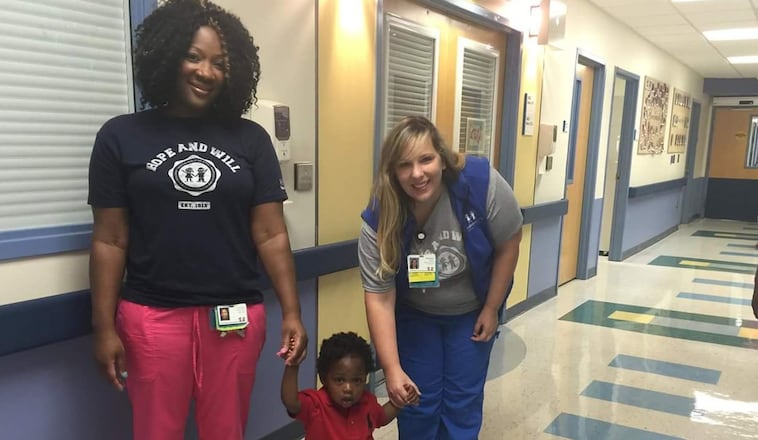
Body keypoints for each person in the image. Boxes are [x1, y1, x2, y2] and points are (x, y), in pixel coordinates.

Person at [87, 1, 307, 439]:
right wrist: (103, 325)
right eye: (193, 56)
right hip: (151, 316)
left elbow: (270, 233)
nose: (205, 71)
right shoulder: (121, 136)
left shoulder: (251, 139)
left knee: (226, 431)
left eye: (219, 63)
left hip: (235, 318)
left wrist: (292, 311)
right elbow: (110, 240)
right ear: (168, 55)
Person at [358, 116, 523, 439]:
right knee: (417, 400)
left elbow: (509, 244)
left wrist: (491, 308)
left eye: (426, 159)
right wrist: (391, 370)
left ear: (442, 160)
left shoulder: (480, 183)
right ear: (392, 172)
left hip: (471, 312)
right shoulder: (381, 214)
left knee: (462, 402)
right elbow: (379, 296)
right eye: (404, 165)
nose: (417, 174)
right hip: (416, 316)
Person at [281, 332, 414, 439]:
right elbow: (291, 402)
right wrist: (293, 365)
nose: (348, 389)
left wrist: (399, 401)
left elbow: (381, 417)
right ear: (324, 378)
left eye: (357, 381)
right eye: (339, 380)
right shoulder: (316, 404)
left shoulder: (366, 401)